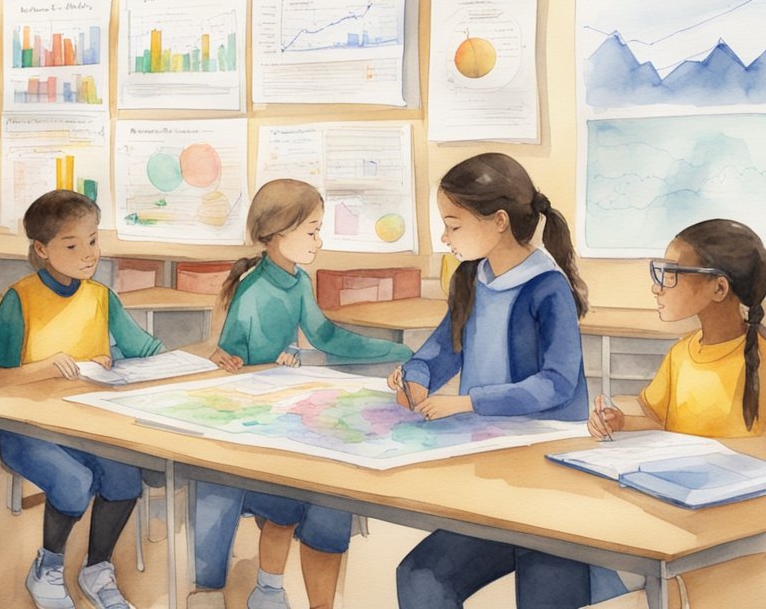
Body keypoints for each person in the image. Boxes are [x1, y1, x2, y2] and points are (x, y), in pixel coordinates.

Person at [190, 179, 412, 609]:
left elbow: (324, 334)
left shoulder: (298, 281)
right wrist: (264, 366)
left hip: (289, 415)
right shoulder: (253, 291)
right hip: (252, 426)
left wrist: (398, 351)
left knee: (328, 498)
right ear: (279, 232)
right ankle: (266, 589)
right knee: (294, 501)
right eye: (311, 230)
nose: (319, 240)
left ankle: (280, 593)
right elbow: (233, 364)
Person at [392, 153, 592, 609]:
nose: (445, 238)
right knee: (421, 578)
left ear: (498, 221)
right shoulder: (471, 276)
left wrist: (468, 403)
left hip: (546, 473)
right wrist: (416, 376)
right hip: (488, 466)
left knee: (548, 593)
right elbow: (444, 346)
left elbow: (557, 385)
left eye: (453, 225)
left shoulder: (547, 287)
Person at [0, 189, 162, 609]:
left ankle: (96, 568)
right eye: (72, 245)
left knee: (124, 478)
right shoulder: (19, 298)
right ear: (42, 249)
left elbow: (147, 349)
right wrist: (48, 367)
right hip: (27, 428)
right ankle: (48, 567)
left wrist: (197, 357)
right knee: (73, 482)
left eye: (93, 240)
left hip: (89, 420)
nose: (88, 254)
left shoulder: (101, 296)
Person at [582, 218, 766, 605]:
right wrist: (621, 422)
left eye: (670, 275)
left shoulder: (761, 360)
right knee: (575, 565)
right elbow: (659, 420)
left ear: (719, 287)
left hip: (731, 530)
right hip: (672, 509)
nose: (657, 286)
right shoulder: (682, 353)